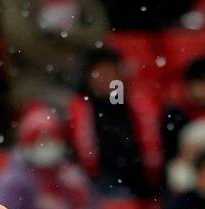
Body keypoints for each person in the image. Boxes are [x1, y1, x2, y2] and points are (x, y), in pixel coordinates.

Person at [68, 46, 162, 197]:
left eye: (110, 72)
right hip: (97, 182)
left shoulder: (137, 104)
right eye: (99, 73)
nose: (105, 78)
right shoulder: (81, 109)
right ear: (88, 77)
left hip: (140, 179)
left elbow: (152, 149)